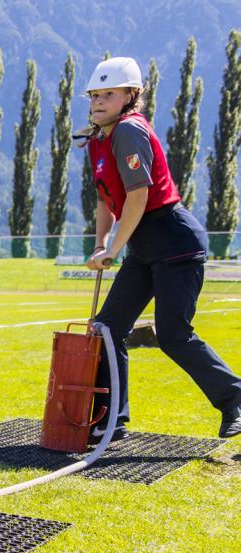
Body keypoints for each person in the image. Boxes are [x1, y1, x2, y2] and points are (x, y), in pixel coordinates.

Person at [78, 56, 241, 440]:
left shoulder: (129, 132)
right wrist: (101, 242)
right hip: (143, 245)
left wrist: (113, 249)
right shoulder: (97, 140)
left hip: (174, 240)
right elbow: (104, 200)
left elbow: (138, 196)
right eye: (95, 95)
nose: (99, 101)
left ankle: (235, 400)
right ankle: (111, 420)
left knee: (173, 334)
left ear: (130, 96)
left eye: (109, 94)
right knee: (107, 327)